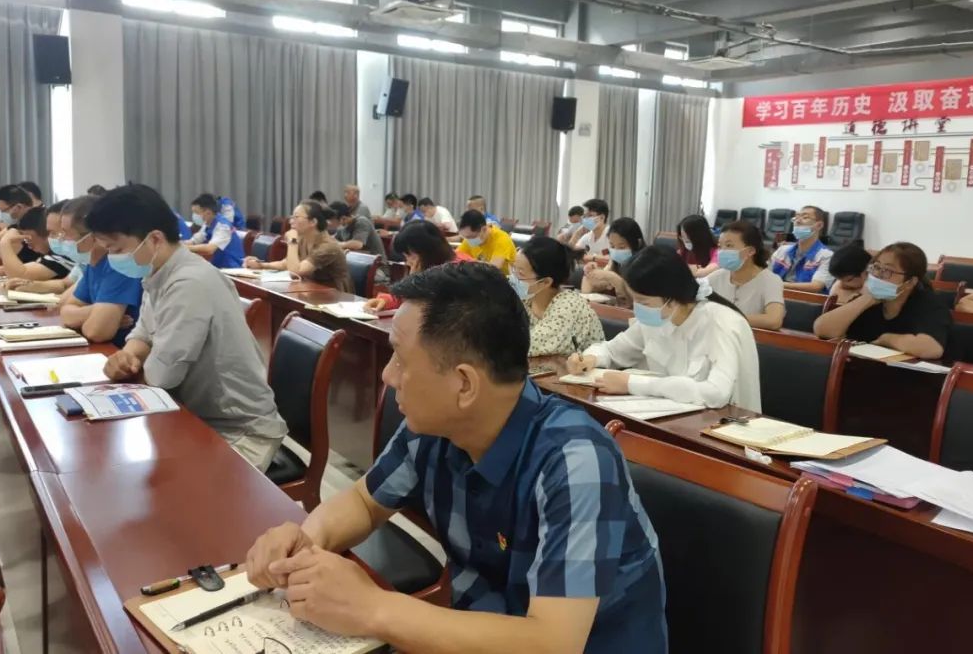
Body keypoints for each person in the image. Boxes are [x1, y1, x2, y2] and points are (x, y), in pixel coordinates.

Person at [244, 263, 667, 653]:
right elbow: (363, 501)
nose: (387, 375)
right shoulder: (433, 428)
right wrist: (306, 544)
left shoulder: (576, 460)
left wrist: (374, 607)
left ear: (464, 384)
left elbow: (552, 642)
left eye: (400, 359)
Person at [89, 184, 288, 472]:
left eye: (116, 249)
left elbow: (160, 377)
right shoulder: (160, 272)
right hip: (194, 416)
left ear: (154, 239)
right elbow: (143, 333)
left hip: (240, 431)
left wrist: (134, 363)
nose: (112, 257)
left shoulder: (189, 283)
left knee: (148, 484)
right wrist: (127, 355)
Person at [567, 245, 760, 410]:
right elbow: (612, 350)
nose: (637, 308)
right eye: (635, 300)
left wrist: (634, 384)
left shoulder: (722, 322)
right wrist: (590, 358)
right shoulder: (656, 318)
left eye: (643, 301)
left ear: (672, 297)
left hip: (722, 426)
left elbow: (716, 393)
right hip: (668, 417)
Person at [814, 242, 950, 360]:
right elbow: (822, 329)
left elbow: (931, 348)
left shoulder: (929, 303)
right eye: (876, 267)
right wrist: (867, 299)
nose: (877, 275)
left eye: (887, 271)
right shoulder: (869, 300)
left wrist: (888, 339)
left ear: (910, 282)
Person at [58, 196, 143, 346]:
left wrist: (87, 317)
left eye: (66, 233)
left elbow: (96, 332)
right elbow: (65, 312)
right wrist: (96, 312)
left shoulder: (120, 265)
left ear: (92, 236)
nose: (61, 239)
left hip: (123, 352)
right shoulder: (93, 264)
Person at [513, 237, 604, 357]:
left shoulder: (568, 307)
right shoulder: (526, 299)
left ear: (545, 282)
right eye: (513, 269)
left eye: (520, 273)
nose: (513, 277)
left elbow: (522, 347)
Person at [364, 221, 473, 313]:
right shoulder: (431, 265)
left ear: (427, 251)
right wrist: (386, 301)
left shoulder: (460, 269)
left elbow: (431, 307)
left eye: (409, 255)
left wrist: (414, 280)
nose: (408, 262)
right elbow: (406, 299)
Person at [244, 200, 352, 292]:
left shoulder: (328, 247)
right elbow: (286, 263)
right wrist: (261, 265)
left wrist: (292, 241)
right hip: (314, 291)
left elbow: (296, 271)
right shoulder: (304, 239)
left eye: (296, 217)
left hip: (335, 298)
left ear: (313, 222)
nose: (291, 221)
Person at [705, 221, 785, 331]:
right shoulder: (715, 277)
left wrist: (727, 318)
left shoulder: (771, 281)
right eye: (720, 246)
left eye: (729, 246)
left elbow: (774, 320)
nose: (722, 251)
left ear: (750, 251)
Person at [0, 206, 75, 282]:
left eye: (52, 232)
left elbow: (20, 276)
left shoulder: (64, 256)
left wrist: (5, 243)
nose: (27, 243)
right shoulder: (50, 254)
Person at [581, 217, 646, 304]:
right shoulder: (614, 262)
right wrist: (590, 274)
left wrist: (613, 278)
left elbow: (633, 302)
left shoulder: (646, 266)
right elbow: (588, 289)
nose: (616, 251)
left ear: (638, 244)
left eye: (622, 247)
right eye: (612, 246)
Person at [770, 206, 834, 292]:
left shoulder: (827, 256)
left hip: (804, 299)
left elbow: (816, 286)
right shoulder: (782, 250)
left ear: (819, 225)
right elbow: (765, 274)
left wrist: (777, 284)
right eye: (796, 217)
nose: (798, 221)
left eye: (805, 217)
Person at [185, 193, 244, 269]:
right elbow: (194, 240)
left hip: (232, 267)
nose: (195, 216)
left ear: (208, 212)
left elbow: (209, 249)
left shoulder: (223, 226)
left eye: (197, 213)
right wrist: (178, 244)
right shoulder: (208, 224)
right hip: (218, 266)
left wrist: (185, 248)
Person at [456, 209, 516, 275]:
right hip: (480, 276)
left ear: (484, 229)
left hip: (502, 278)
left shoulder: (502, 239)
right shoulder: (469, 238)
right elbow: (456, 258)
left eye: (471, 237)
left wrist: (470, 263)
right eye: (466, 237)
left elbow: (494, 268)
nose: (468, 240)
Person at [330, 201, 388, 265]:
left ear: (343, 218)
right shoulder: (342, 228)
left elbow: (357, 244)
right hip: (358, 263)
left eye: (333, 220)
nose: (331, 223)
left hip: (377, 266)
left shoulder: (361, 222)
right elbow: (332, 240)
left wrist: (337, 244)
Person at [570, 198, 611, 263]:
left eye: (590, 215)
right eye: (585, 216)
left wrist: (590, 257)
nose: (586, 219)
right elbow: (570, 252)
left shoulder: (612, 234)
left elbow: (611, 260)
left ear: (602, 217)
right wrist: (577, 234)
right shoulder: (588, 236)